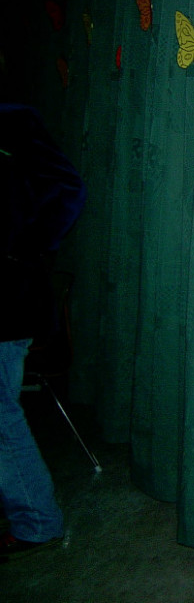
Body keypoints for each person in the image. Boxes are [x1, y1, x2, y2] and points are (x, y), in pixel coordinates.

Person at [1, 102, 86, 561]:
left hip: (8, 295)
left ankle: (35, 519)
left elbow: (68, 187)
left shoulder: (11, 117)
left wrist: (20, 250)